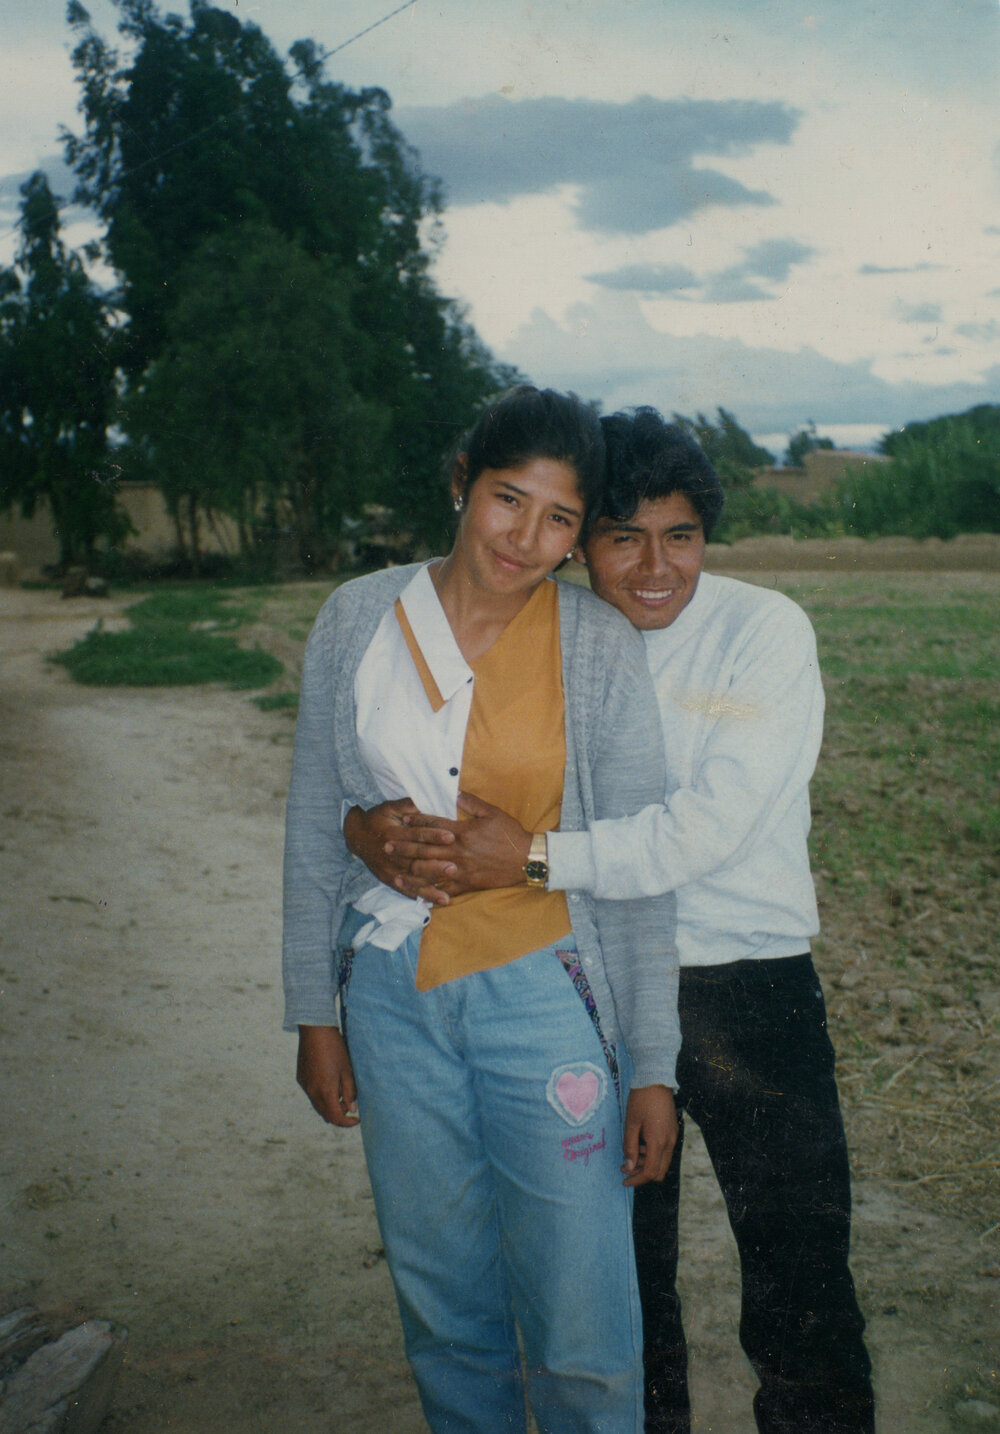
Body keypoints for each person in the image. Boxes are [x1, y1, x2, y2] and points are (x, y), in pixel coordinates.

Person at [353, 407, 876, 1434]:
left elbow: (709, 826)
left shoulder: (761, 629)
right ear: (579, 539)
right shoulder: (546, 637)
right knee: (627, 1285)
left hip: (749, 987)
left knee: (798, 1273)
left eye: (680, 535)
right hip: (592, 989)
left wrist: (538, 858)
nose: (653, 566)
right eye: (621, 535)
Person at [283, 386, 680, 1434]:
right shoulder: (358, 620)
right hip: (391, 997)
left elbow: (637, 873)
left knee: (584, 1321)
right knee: (444, 1307)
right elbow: (314, 820)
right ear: (462, 480)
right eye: (509, 499)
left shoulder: (595, 647)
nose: (527, 538)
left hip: (545, 1000)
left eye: (559, 519)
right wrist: (312, 1014)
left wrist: (652, 1065)